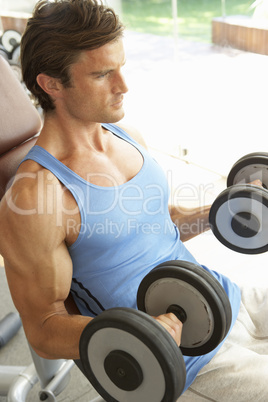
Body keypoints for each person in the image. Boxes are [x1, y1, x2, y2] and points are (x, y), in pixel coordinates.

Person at [0, 1, 267, 401]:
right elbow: (43, 328)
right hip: (185, 360)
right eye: (103, 74)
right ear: (51, 84)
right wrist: (141, 332)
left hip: (224, 297)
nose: (123, 85)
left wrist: (225, 209)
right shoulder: (37, 196)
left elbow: (163, 224)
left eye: (121, 66)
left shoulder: (126, 135)